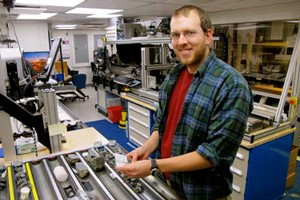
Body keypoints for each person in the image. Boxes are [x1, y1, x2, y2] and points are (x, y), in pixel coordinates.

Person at [116, 5, 253, 200]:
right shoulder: (175, 74)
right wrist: (145, 149)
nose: (181, 42)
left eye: (189, 33)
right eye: (175, 35)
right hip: (168, 184)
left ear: (207, 35)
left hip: (202, 194)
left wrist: (154, 165)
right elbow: (162, 125)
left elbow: (212, 154)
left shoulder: (232, 85)